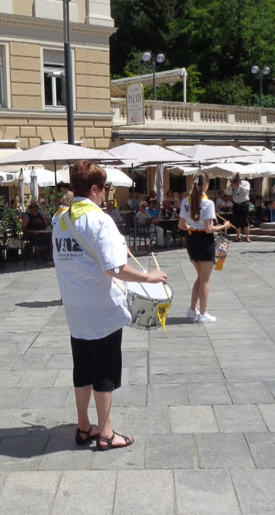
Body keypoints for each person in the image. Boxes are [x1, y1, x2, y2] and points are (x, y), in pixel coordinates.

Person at [52, 161, 167, 450]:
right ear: (94, 189)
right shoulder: (100, 221)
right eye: (104, 188)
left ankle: (83, 427)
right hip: (101, 309)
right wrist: (149, 277)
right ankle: (106, 433)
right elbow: (115, 268)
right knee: (104, 371)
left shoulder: (61, 220)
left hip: (75, 309)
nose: (105, 193)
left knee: (82, 369)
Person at [179, 172, 232, 323]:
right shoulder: (208, 203)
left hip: (192, 239)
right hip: (205, 240)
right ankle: (203, 313)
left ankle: (192, 309)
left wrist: (191, 226)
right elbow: (209, 228)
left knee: (200, 277)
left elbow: (181, 225)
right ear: (206, 184)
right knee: (205, 279)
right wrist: (224, 226)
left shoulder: (186, 201)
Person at [229, 174, 252, 242]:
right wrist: (231, 186)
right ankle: (238, 236)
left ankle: (247, 236)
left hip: (244, 203)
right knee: (237, 220)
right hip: (236, 204)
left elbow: (246, 191)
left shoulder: (245, 183)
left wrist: (239, 185)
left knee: (246, 220)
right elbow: (227, 192)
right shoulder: (233, 185)